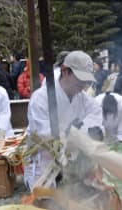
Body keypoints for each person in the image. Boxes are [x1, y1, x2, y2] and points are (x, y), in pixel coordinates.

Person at [24, 50, 104, 190]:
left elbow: (95, 116)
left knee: (74, 200)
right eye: (80, 78)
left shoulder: (83, 99)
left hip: (69, 160)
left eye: (86, 80)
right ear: (65, 71)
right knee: (45, 203)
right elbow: (43, 133)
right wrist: (70, 132)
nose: (83, 84)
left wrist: (89, 130)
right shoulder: (41, 98)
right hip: (43, 160)